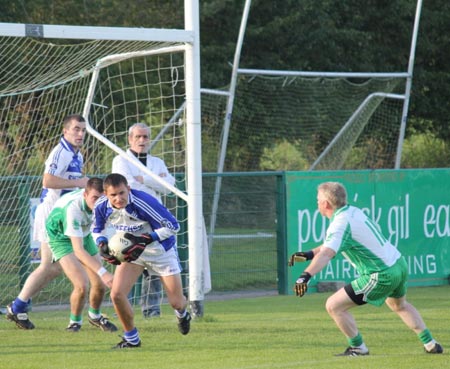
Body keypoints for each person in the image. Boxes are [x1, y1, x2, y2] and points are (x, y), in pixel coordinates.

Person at [289, 181, 443, 356]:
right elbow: (330, 245)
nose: (317, 203)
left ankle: (358, 348)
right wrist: (309, 254)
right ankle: (430, 343)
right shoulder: (352, 212)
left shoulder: (339, 223)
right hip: (398, 264)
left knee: (334, 306)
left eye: (318, 199)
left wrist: (305, 276)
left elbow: (327, 253)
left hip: (381, 274)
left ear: (326, 204)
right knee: (400, 306)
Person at [6, 114, 90, 330]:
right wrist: (79, 182)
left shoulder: (76, 154)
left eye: (83, 129)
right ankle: (18, 307)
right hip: (51, 215)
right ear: (65, 131)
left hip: (61, 216)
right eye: (76, 129)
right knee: (48, 267)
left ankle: (19, 306)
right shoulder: (61, 152)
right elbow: (47, 180)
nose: (80, 133)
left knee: (52, 268)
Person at [92, 173, 191, 349]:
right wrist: (101, 243)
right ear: (106, 194)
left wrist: (145, 239)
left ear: (128, 189)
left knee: (176, 302)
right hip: (132, 254)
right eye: (113, 195)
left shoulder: (142, 201)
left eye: (122, 193)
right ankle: (131, 339)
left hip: (160, 250)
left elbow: (174, 226)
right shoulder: (101, 206)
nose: (118, 198)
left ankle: (183, 313)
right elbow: (97, 228)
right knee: (117, 294)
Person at [112, 122, 176, 318]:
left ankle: (151, 311)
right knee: (125, 262)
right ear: (130, 139)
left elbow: (169, 185)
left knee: (155, 267)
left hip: (154, 220)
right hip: (129, 220)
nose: (142, 140)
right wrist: (155, 181)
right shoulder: (121, 160)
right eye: (138, 137)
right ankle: (122, 309)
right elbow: (129, 186)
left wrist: (145, 179)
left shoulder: (157, 162)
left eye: (145, 137)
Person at [46, 177, 117, 332]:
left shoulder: (107, 204)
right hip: (60, 237)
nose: (98, 202)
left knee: (99, 285)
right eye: (94, 198)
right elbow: (78, 250)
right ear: (85, 195)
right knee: (82, 285)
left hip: (83, 233)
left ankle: (95, 316)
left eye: (102, 199)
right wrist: (104, 272)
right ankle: (74, 323)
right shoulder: (74, 209)